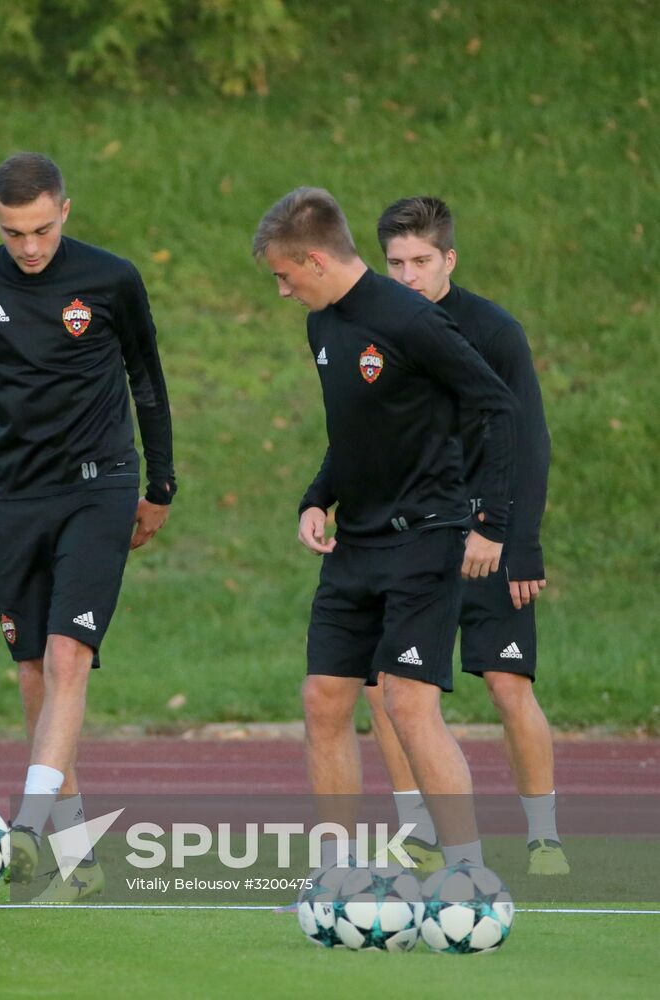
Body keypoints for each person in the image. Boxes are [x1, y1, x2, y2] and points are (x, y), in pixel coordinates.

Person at [0, 153, 176, 901]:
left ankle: (26, 829)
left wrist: (161, 484)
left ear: (65, 211)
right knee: (31, 672)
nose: (29, 246)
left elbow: (147, 380)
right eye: (15, 231)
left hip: (101, 488)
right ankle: (80, 852)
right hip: (16, 499)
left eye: (43, 229)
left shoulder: (111, 279)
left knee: (67, 656)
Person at [253, 187, 518, 870]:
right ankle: (335, 875)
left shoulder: (411, 321)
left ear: (314, 260)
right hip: (356, 545)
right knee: (324, 698)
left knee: (406, 703)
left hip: (426, 537)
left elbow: (498, 405)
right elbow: (355, 430)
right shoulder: (321, 326)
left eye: (284, 275)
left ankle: (467, 873)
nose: (282, 291)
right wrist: (318, 497)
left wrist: (493, 519)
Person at [365, 196, 565, 875]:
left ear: (449, 258)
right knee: (386, 689)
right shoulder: (374, 329)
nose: (408, 275)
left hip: (488, 541)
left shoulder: (494, 331)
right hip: (410, 538)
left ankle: (544, 838)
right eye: (395, 263)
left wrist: (518, 541)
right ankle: (417, 830)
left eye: (421, 261)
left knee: (508, 686)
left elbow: (528, 440)